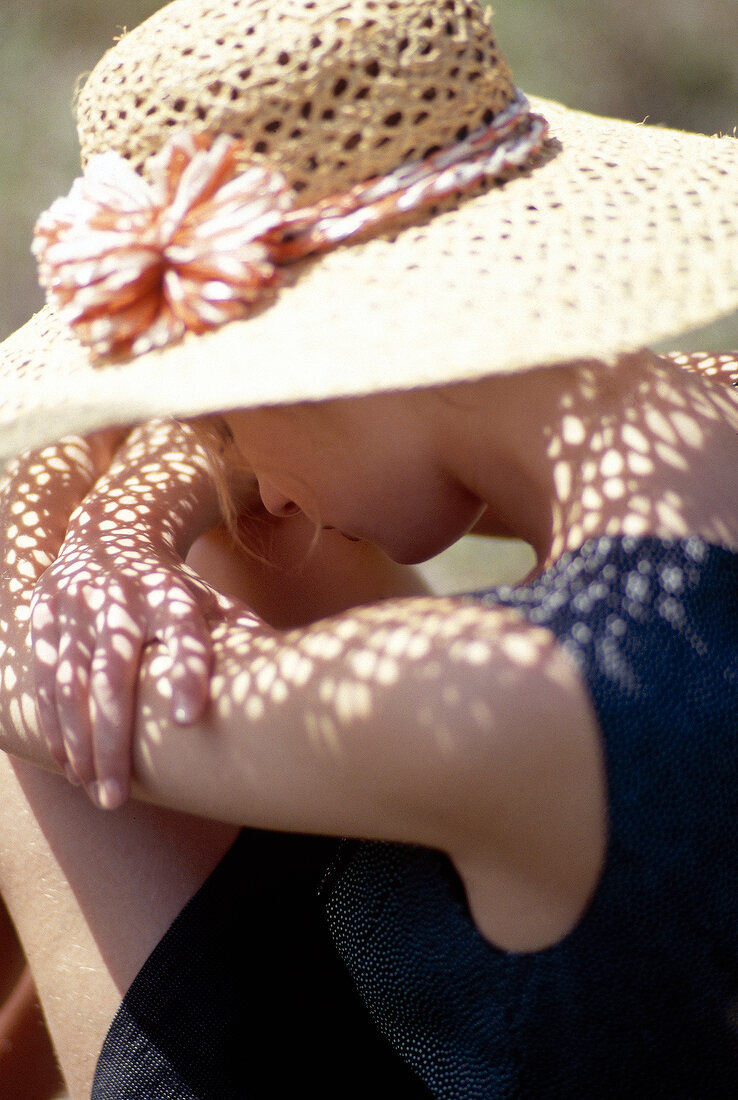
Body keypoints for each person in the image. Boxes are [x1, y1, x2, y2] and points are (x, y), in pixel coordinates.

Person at [0, 0, 737, 1096]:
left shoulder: (495, 692)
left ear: (330, 359)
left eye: (216, 405)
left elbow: (55, 686)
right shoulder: (703, 428)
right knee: (257, 537)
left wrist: (89, 531)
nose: (213, 444)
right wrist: (147, 506)